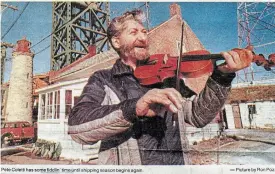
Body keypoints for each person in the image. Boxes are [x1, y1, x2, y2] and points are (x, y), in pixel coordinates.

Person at [68, 10, 253, 165]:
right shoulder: (104, 79)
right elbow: (77, 127)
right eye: (133, 33)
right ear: (116, 42)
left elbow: (198, 115)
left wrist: (222, 76)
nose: (142, 37)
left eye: (144, 31)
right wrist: (134, 107)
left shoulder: (168, 78)